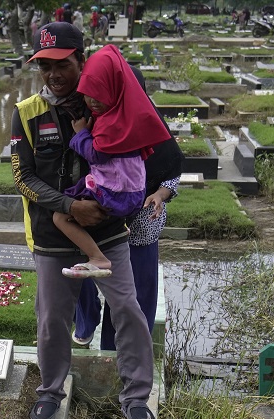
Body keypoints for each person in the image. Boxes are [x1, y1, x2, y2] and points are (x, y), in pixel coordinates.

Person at [12, 22, 161, 419]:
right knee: (51, 318)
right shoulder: (26, 113)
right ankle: (50, 391)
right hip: (54, 234)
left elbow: (135, 159)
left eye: (61, 64)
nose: (53, 74)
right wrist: (69, 205)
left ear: (81, 58)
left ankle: (135, 399)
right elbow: (23, 177)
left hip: (108, 231)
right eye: (44, 66)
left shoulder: (105, 105)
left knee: (128, 309)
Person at [74, 65, 184, 347]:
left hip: (140, 226)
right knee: (83, 279)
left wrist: (160, 194)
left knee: (135, 293)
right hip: (99, 219)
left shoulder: (150, 126)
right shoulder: (93, 122)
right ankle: (86, 324)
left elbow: (170, 170)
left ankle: (121, 351)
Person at [50, 44, 168, 280]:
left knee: (60, 216)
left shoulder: (108, 124)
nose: (92, 101)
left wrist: (81, 133)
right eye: (88, 93)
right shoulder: (129, 116)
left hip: (116, 194)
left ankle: (97, 257)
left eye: (99, 94)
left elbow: (96, 155)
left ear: (114, 89)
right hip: (133, 192)